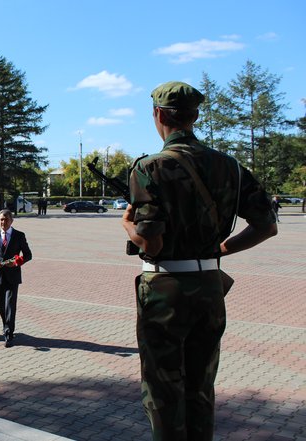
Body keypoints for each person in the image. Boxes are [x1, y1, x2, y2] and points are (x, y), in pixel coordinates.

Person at [121, 81, 277, 440]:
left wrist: (129, 227)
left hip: (164, 292)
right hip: (209, 288)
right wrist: (220, 250)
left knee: (163, 395)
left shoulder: (150, 167)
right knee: (201, 390)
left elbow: (153, 243)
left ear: (158, 114)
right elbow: (266, 226)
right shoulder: (230, 167)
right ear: (194, 116)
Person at [0, 209, 32, 348]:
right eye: (1, 219)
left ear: (11, 221)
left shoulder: (19, 235)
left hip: (13, 276)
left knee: (10, 305)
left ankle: (8, 334)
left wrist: (16, 262)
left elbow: (28, 255)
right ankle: (6, 326)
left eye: (5, 219)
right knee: (0, 304)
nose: (3, 222)